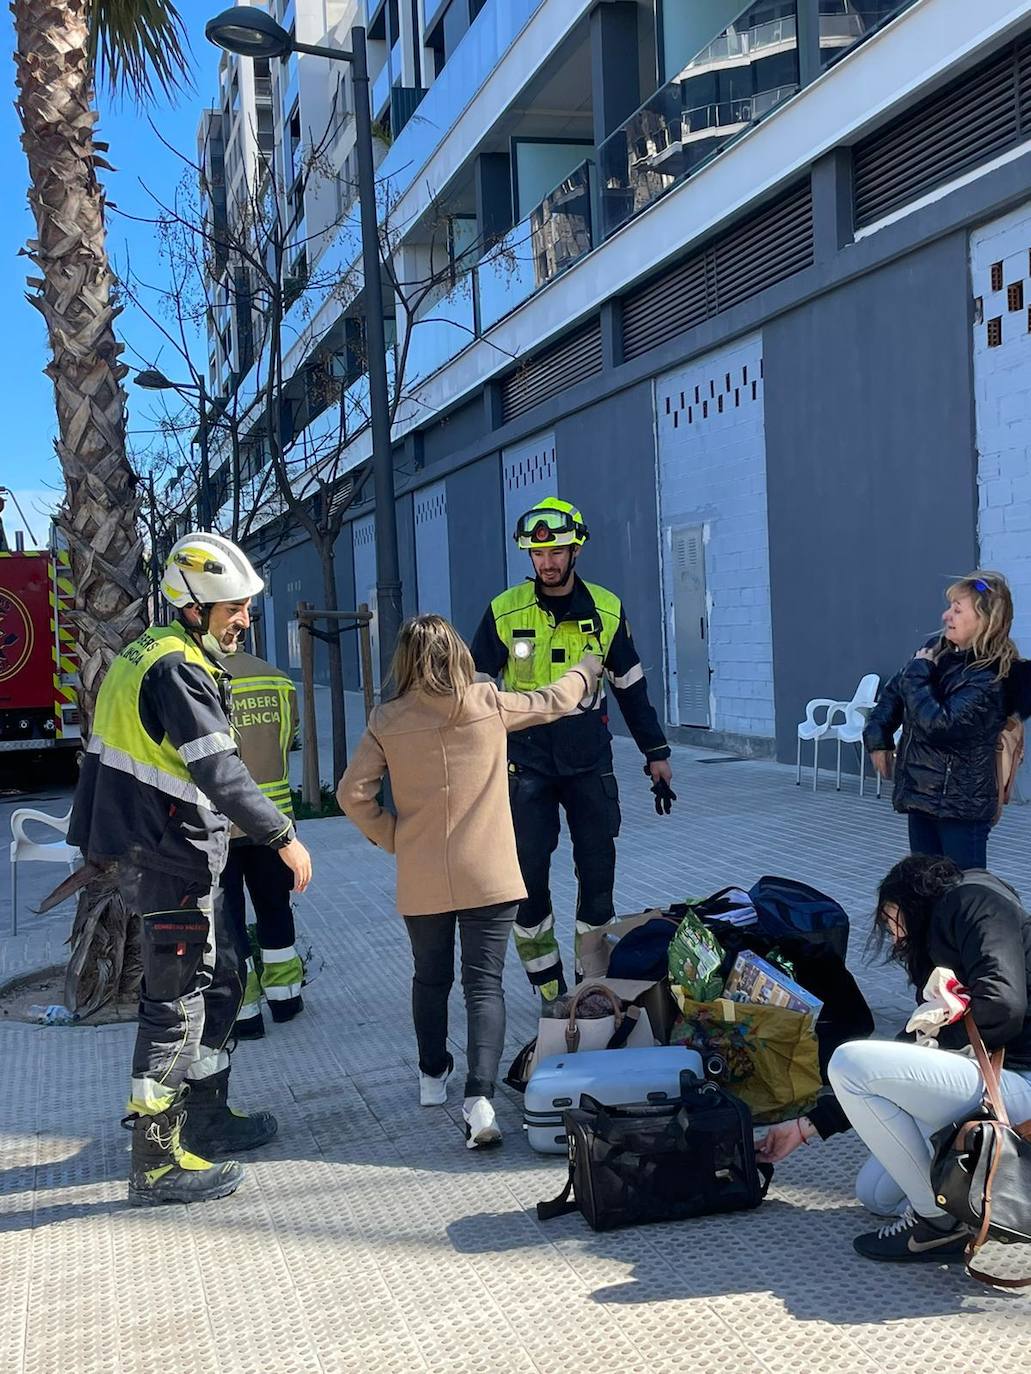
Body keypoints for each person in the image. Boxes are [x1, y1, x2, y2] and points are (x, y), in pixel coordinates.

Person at [68, 532, 313, 1206]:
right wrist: (282, 836)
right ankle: (154, 1161)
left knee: (224, 976)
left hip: (171, 849)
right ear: (195, 605)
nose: (244, 619)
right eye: (233, 608)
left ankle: (205, 1119)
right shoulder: (177, 667)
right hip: (167, 854)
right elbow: (217, 768)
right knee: (173, 1007)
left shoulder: (162, 651)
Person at [337, 614, 601, 1148]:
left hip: (423, 873)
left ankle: (433, 1076)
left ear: (404, 662)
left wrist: (395, 838)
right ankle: (479, 1101)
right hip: (489, 875)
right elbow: (554, 700)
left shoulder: (385, 720)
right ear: (458, 654)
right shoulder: (489, 703)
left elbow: (351, 794)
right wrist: (587, 669)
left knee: (429, 979)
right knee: (484, 984)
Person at [755, 855, 1031, 1264]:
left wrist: (938, 1035)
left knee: (849, 1063)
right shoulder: (947, 931)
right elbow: (907, 1052)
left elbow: (1004, 1005)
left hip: (1019, 1080)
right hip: (995, 1077)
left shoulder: (972, 902)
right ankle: (944, 1209)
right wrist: (806, 1126)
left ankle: (938, 1225)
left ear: (910, 900)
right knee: (876, 1194)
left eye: (890, 918)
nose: (892, 934)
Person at [470, 497, 673, 1000]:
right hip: (526, 760)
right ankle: (547, 984)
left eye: (557, 551)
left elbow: (631, 688)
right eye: (538, 554)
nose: (547, 562)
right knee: (527, 877)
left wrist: (656, 753)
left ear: (575, 548)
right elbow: (472, 690)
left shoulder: (606, 609)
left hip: (588, 758)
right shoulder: (503, 610)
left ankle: (593, 981)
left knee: (598, 871)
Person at [864, 571, 1018, 870]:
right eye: (950, 606)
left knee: (963, 895)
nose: (946, 615)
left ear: (986, 620)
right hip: (921, 796)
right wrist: (877, 737)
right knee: (924, 890)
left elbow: (939, 726)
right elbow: (894, 695)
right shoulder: (936, 652)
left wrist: (920, 673)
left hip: (960, 808)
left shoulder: (993, 675)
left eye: (958, 610)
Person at [217, 642, 305, 1038]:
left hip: (222, 823)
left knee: (228, 919)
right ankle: (286, 1000)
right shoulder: (278, 679)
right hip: (275, 823)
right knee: (275, 907)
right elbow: (290, 738)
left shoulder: (201, 679)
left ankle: (245, 1014)